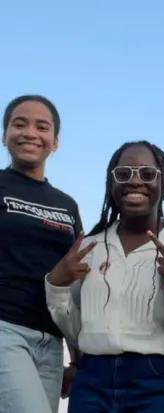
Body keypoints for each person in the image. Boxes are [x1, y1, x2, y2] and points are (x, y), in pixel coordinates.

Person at [45, 140, 164, 413]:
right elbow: (76, 331)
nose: (134, 181)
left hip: (159, 381)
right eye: (123, 174)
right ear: (111, 185)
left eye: (147, 174)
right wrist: (56, 286)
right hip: (91, 379)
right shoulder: (88, 248)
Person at [0, 95, 82, 413]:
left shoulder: (67, 205)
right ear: (5, 135)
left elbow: (74, 277)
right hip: (5, 329)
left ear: (55, 142)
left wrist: (76, 357)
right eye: (19, 124)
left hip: (51, 341)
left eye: (42, 126)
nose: (30, 133)